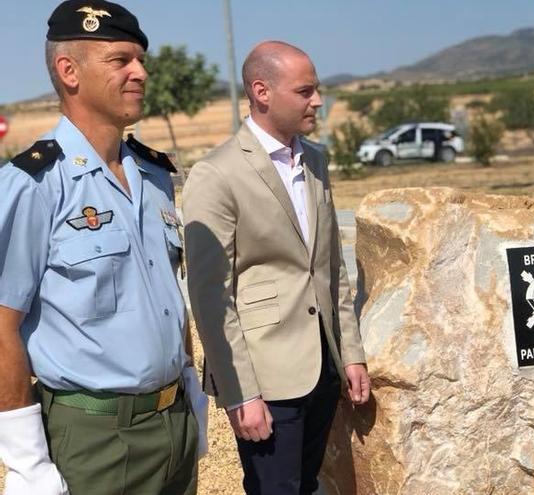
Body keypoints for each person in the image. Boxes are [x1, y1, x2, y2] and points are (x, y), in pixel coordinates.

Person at [0, 1, 207, 493]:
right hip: (95, 438)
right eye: (121, 60)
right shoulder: (35, 183)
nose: (141, 72)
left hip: (173, 422)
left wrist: (191, 390)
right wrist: (27, 462)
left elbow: (166, 298)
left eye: (140, 60)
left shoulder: (154, 175)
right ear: (68, 71)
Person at [183, 41, 371, 495]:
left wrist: (351, 353)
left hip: (323, 369)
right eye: (305, 91)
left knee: (306, 487)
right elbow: (210, 297)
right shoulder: (216, 174)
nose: (318, 101)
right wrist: (240, 392)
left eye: (317, 89)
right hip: (266, 378)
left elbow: (330, 269)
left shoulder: (318, 161)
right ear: (262, 92)